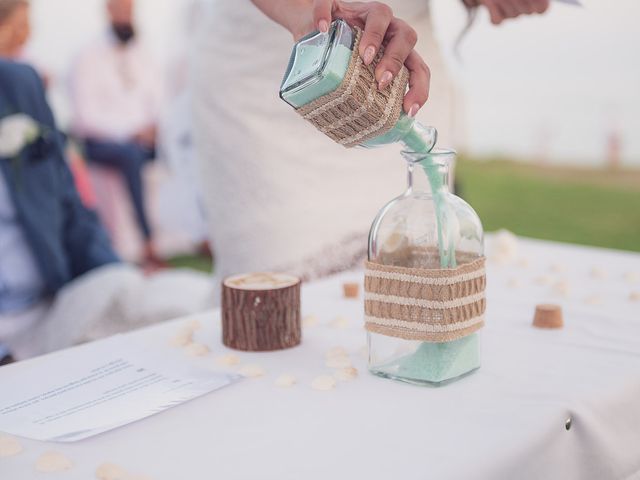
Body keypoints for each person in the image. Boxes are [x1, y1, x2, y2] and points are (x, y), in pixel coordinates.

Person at [192, 0, 549, 296]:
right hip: (270, 83)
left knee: (413, 294)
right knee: (276, 304)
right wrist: (316, 17)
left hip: (397, 72)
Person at [0, 60, 215, 363]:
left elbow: (70, 209)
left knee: (193, 308)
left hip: (50, 305)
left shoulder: (16, 84)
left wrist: (117, 283)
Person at [70, 0, 163, 267]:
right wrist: (130, 132)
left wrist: (153, 128)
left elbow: (157, 99)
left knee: (181, 146)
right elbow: (85, 117)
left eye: (130, 9)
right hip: (102, 143)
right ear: (108, 9)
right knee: (131, 156)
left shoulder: (144, 53)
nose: (126, 14)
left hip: (143, 139)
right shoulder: (87, 56)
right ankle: (148, 244)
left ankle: (199, 230)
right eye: (121, 8)